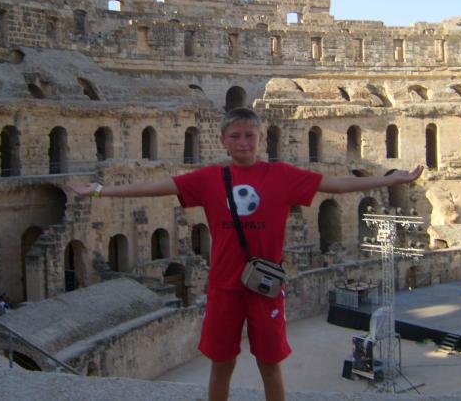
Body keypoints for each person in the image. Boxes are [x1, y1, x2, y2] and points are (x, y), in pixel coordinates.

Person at [70, 108, 423, 401]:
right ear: (223, 140)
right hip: (224, 287)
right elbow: (152, 188)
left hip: (265, 285)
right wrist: (100, 191)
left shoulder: (281, 175)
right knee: (221, 364)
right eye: (235, 136)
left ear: (260, 139)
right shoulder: (209, 178)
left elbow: (338, 184)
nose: (242, 143)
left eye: (249, 136)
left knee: (270, 363)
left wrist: (389, 180)